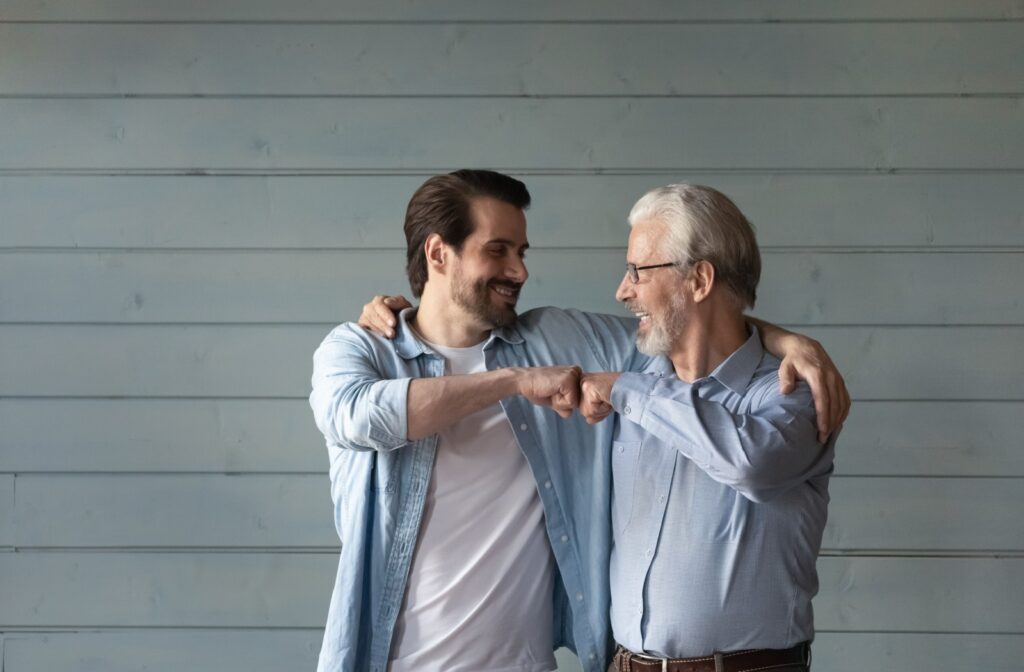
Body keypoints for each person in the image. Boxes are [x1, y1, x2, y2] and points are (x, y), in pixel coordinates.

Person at [311, 170, 848, 672]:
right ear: (437, 253)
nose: (519, 271)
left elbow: (685, 320)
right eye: (498, 250)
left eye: (521, 252)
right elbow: (359, 416)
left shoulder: (558, 340)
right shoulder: (361, 350)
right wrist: (515, 383)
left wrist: (790, 341)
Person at [577, 184, 837, 672]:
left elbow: (750, 462)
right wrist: (397, 317)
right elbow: (506, 334)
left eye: (638, 270)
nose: (622, 289)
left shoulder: (794, 391)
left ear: (699, 280)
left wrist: (626, 392)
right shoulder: (633, 367)